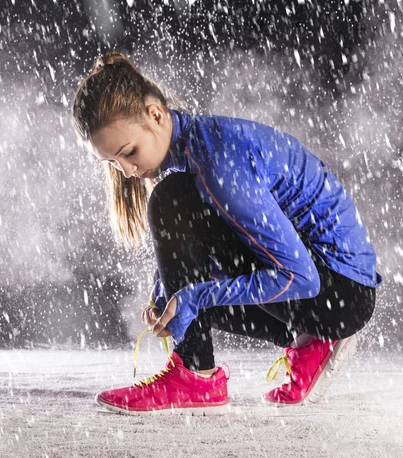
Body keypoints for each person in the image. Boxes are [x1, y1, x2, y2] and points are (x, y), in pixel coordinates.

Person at [71, 51, 381, 416]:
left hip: (339, 295)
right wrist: (171, 289)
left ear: (155, 114)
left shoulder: (217, 161)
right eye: (113, 163)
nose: (125, 171)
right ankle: (309, 342)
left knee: (171, 202)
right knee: (180, 275)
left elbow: (301, 278)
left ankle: (197, 378)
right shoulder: (196, 153)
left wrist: (195, 295)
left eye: (129, 152)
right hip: (336, 295)